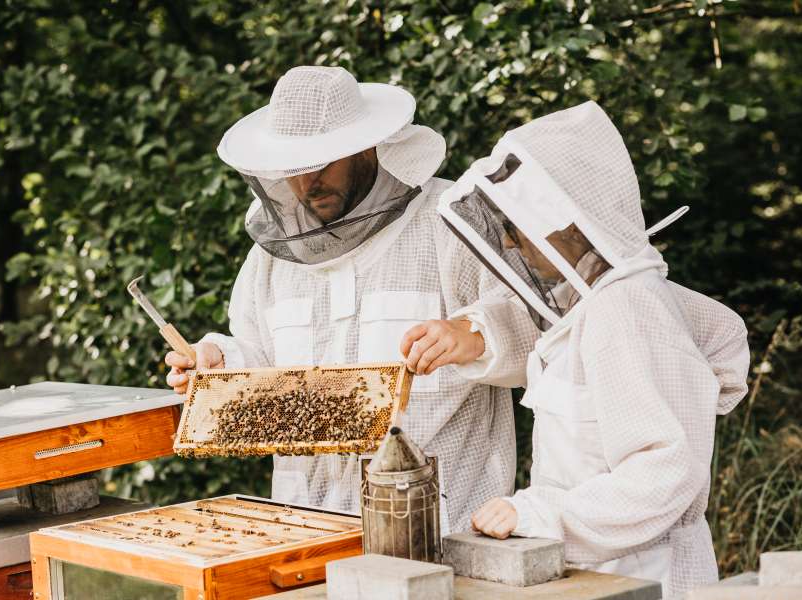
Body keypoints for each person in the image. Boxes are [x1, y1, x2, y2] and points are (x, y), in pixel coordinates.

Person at [164, 66, 537, 533]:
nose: (306, 184)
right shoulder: (272, 258)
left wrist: (473, 335)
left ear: (366, 147)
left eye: (321, 163)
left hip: (446, 529)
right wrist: (218, 363)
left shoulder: (449, 223)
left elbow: (542, 338)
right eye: (292, 171)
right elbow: (261, 357)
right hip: (307, 530)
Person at [402, 101, 750, 597]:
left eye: (519, 227)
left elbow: (667, 471)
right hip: (599, 572)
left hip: (647, 574)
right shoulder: (593, 305)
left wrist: (543, 515)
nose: (514, 246)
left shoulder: (627, 307)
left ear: (562, 222)